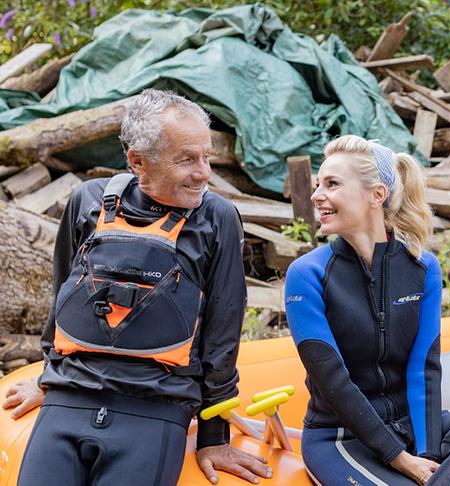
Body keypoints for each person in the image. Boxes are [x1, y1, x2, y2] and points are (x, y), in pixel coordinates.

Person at [2, 89, 270, 485]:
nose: (204, 173)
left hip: (155, 408)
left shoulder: (217, 218)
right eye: (187, 159)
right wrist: (47, 379)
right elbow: (62, 299)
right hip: (69, 399)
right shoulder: (87, 201)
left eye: (206, 157)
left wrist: (214, 436)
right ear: (137, 161)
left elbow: (223, 332)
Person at [284, 135, 450, 485]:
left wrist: (427, 454)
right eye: (318, 184)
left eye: (331, 183)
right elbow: (332, 381)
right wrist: (400, 460)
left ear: (376, 195)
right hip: (341, 436)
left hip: (410, 426)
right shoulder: (308, 274)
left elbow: (425, 367)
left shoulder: (422, 268)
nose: (317, 195)